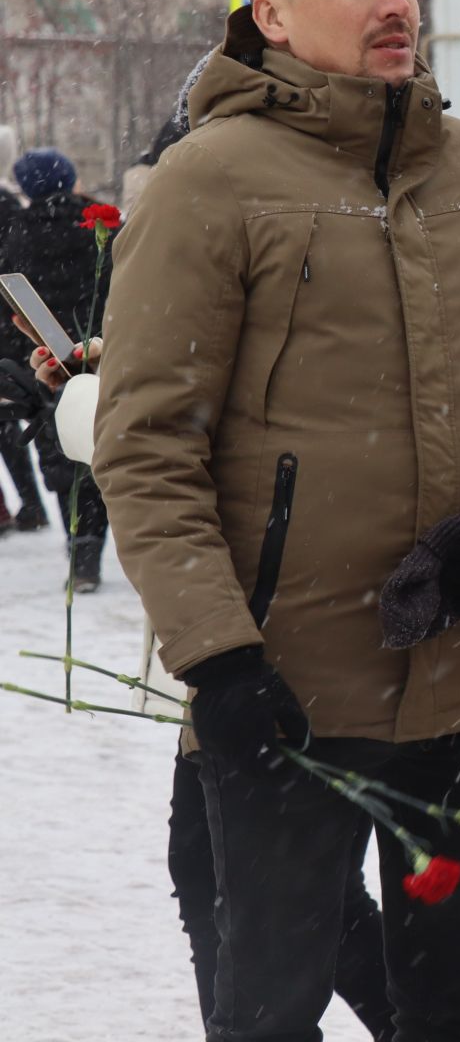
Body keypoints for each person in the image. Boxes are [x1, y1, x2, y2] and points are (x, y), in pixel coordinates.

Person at [92, 0, 460, 1040]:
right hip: (285, 695)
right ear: (270, 14)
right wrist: (221, 658)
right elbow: (147, 442)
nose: (395, 3)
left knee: (449, 1014)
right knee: (269, 1014)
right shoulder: (208, 183)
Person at [20, 330, 395, 1038]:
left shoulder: (263, 236)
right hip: (237, 617)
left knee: (256, 894)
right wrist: (110, 375)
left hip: (271, 617)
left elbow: (175, 437)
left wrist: (105, 394)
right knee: (231, 882)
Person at [1, 147, 111, 588]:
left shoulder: (15, 233)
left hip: (43, 359)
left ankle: (79, 549)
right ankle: (98, 546)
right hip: (105, 353)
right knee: (104, 447)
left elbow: (9, 306)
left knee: (62, 452)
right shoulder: (103, 227)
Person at [0, 125, 52, 537]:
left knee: (7, 419)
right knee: (14, 417)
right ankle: (31, 504)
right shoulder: (11, 208)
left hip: (8, 325)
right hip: (12, 325)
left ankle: (24, 507)